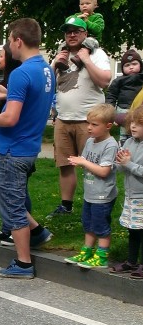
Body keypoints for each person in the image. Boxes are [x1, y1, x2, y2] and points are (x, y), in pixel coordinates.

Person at [0, 18, 55, 279]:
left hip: (13, 150)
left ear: (18, 41)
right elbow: (31, 99)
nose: (9, 46)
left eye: (9, 40)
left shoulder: (21, 72)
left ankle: (23, 264)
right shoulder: (45, 69)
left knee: (13, 206)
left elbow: (9, 119)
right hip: (27, 147)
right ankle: (38, 233)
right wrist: (6, 94)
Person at [49, 14, 111, 216]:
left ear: (85, 33)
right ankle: (66, 206)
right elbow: (47, 86)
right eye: (68, 32)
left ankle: (96, 205)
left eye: (76, 31)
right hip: (63, 119)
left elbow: (105, 81)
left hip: (89, 121)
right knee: (65, 165)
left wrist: (85, 59)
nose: (72, 35)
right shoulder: (61, 55)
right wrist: (53, 66)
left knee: (93, 167)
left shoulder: (96, 53)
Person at [64, 104, 118, 269]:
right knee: (88, 223)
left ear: (108, 126)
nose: (89, 127)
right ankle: (87, 251)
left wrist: (83, 162)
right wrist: (79, 160)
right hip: (90, 193)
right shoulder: (90, 141)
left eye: (94, 125)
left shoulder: (110, 145)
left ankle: (102, 256)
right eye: (88, 123)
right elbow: (85, 160)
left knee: (101, 226)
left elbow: (103, 171)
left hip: (103, 195)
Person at [110, 105, 143, 279]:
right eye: (132, 123)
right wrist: (118, 163)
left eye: (139, 124)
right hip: (131, 196)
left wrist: (128, 164)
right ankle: (131, 261)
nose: (133, 127)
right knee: (133, 229)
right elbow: (124, 167)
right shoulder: (130, 142)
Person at [105, 48, 143, 143]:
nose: (131, 67)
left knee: (138, 130)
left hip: (140, 109)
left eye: (134, 64)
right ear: (122, 68)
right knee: (125, 131)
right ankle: (123, 144)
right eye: (127, 65)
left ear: (140, 65)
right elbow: (111, 95)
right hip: (123, 110)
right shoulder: (119, 81)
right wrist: (110, 111)